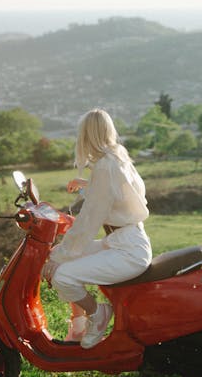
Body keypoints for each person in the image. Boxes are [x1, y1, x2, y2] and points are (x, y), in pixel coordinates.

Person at [42, 108, 152, 348]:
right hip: (123, 241)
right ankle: (78, 326)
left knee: (62, 274)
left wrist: (60, 255)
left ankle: (97, 314)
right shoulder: (117, 156)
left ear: (86, 135)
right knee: (59, 257)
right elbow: (118, 191)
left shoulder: (105, 165)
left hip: (127, 250)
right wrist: (87, 184)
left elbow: (89, 219)